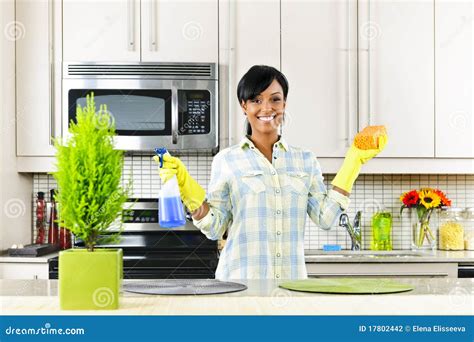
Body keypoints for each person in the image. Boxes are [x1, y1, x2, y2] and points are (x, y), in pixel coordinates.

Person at [154, 65, 387, 280]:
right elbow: (215, 228)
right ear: (244, 106)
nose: (267, 108)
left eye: (275, 99)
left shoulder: (305, 160)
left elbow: (326, 219)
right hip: (238, 285)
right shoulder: (226, 160)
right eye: (256, 100)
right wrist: (187, 190)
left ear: (284, 105)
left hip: (291, 288)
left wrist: (352, 162)